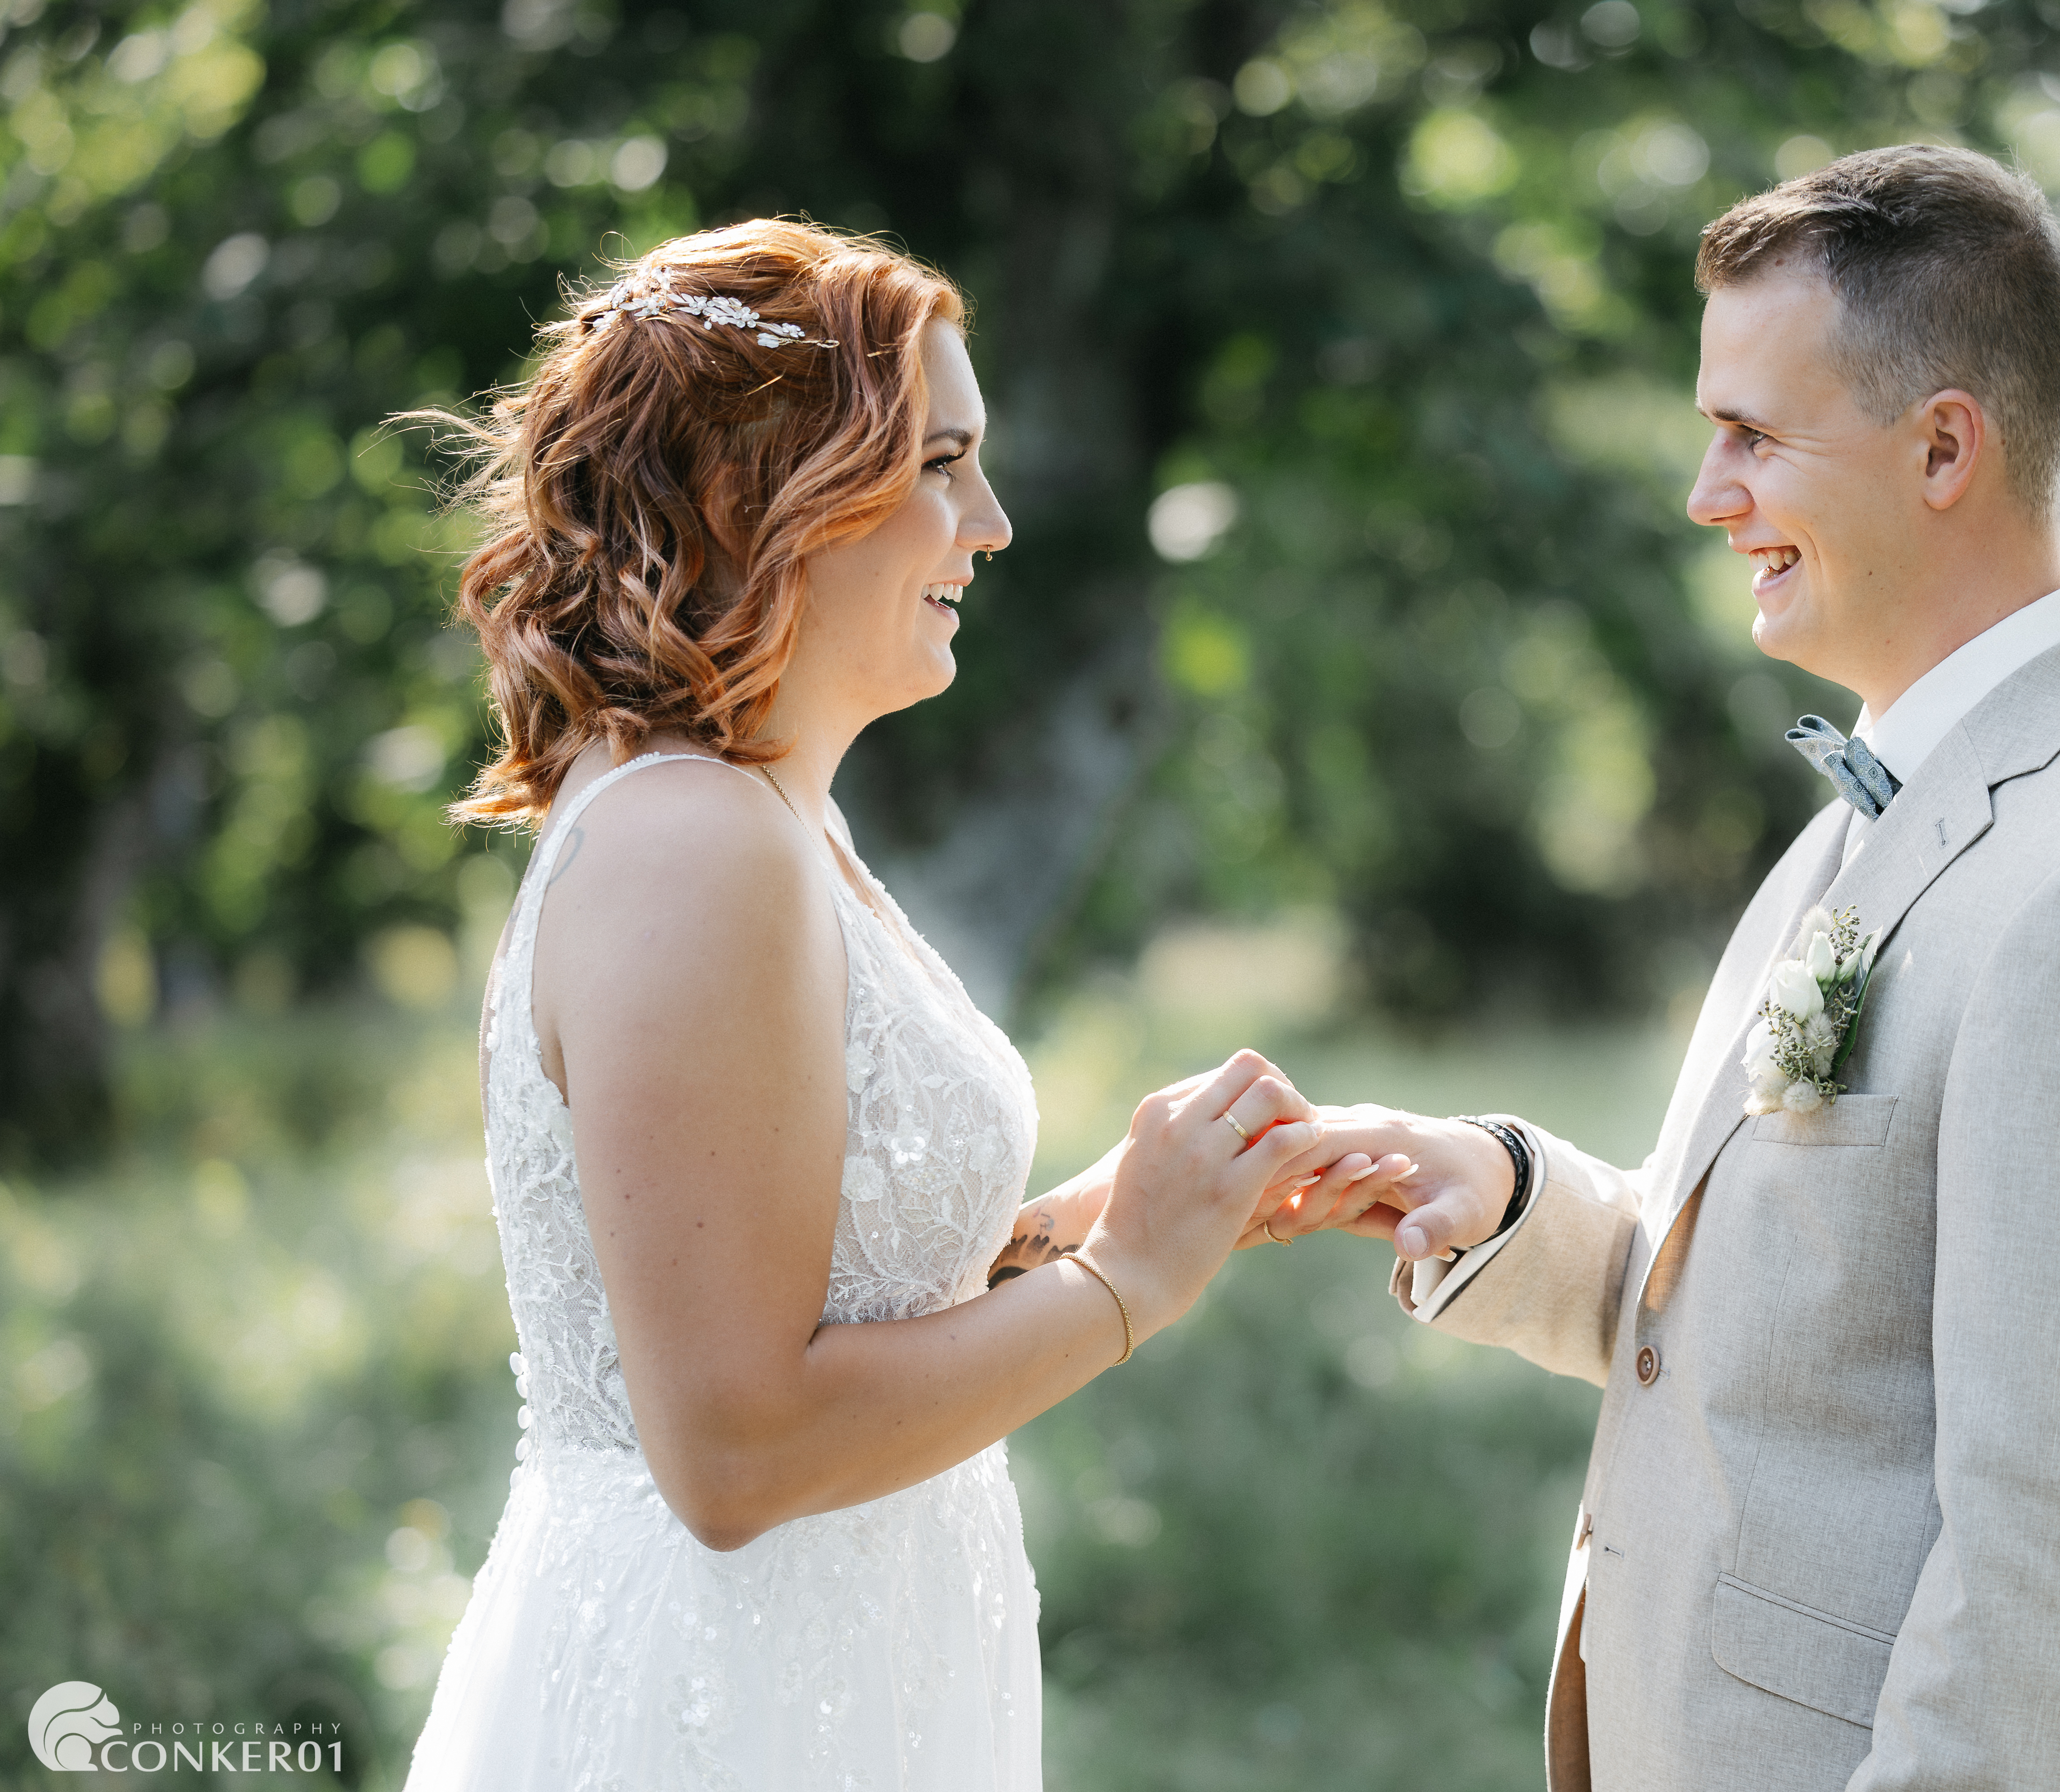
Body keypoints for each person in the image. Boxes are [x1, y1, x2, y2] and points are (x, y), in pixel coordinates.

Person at [1292, 147, 2060, 1792]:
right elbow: (1816, 1313)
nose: (1708, 495)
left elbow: (2057, 1575)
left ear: (1941, 449)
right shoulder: (1903, 796)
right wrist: (1504, 1196)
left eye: (1755, 438)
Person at [400, 220, 1403, 1790]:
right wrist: (1132, 1281)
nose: (990, 525)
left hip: (837, 1663)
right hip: (718, 1700)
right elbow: (736, 1448)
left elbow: (802, 1281)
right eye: (940, 463)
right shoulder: (693, 840)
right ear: (764, 494)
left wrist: (1097, 1217)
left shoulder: (769, 817)